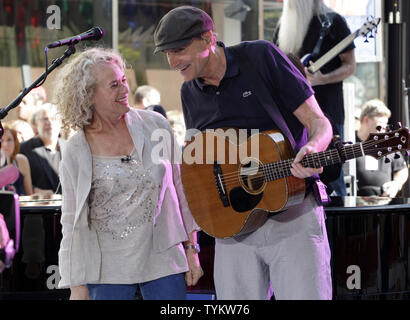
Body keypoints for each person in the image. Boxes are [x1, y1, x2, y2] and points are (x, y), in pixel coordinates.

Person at [154, 5, 333, 300]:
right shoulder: (189, 93)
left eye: (179, 50)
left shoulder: (261, 57)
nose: (173, 61)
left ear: (209, 38)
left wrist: (313, 148)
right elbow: (201, 165)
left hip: (293, 214)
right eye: (167, 53)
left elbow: (319, 122)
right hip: (233, 227)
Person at [53, 47, 203, 300]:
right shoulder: (75, 150)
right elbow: (71, 222)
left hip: (163, 260)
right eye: (113, 85)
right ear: (88, 95)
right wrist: (76, 285)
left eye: (124, 80)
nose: (125, 90)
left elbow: (182, 190)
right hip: (105, 271)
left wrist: (192, 248)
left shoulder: (155, 125)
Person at [273, 0, 356, 196]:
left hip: (328, 114)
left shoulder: (334, 22)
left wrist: (322, 79)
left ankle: (336, 223)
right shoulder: (283, 26)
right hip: (292, 120)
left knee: (331, 176)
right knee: (294, 177)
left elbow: (350, 65)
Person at [356, 99, 408, 197]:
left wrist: (396, 184)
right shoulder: (351, 143)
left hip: (384, 204)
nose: (384, 128)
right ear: (366, 120)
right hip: (355, 204)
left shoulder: (387, 144)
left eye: (385, 124)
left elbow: (402, 169)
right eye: (380, 123)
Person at [20, 103, 62, 195]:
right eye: (45, 119)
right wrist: (35, 190)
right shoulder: (23, 149)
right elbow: (17, 182)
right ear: (36, 123)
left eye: (54, 118)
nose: (50, 123)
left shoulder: (69, 148)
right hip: (38, 207)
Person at [0, 124, 33, 195]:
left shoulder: (21, 160)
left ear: (15, 142)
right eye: (1, 140)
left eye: (9, 140)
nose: (5, 144)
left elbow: (29, 194)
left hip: (19, 205)